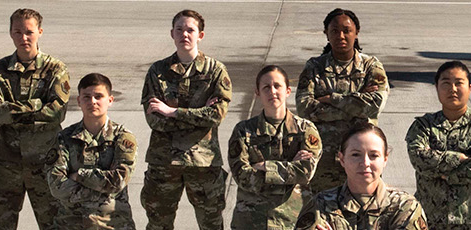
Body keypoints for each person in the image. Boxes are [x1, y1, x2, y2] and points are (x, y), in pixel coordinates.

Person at [0, 8, 74, 230]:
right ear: (11, 34)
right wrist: (36, 106)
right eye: (18, 32)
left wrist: (12, 110)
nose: (24, 37)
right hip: (4, 162)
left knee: (54, 223)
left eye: (29, 32)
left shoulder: (55, 69)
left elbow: (56, 112)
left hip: (45, 162)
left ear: (40, 32)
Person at [140, 9, 232, 230]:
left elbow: (216, 116)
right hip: (164, 163)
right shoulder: (157, 71)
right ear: (172, 33)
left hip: (202, 164)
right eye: (179, 30)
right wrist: (198, 114)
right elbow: (154, 120)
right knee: (158, 223)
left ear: (200, 35)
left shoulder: (216, 71)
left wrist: (172, 112)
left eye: (190, 30)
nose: (185, 34)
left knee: (211, 224)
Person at [298, 8, 390, 192]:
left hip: (363, 162)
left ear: (356, 33)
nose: (341, 36)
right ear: (327, 34)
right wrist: (356, 102)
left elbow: (374, 106)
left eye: (346, 31)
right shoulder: (314, 67)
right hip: (324, 161)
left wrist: (331, 99)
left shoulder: (371, 66)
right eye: (334, 31)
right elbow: (305, 109)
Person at [407, 61, 471, 229]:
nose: (452, 89)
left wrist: (447, 175)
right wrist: (459, 158)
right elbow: (419, 159)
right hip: (431, 220)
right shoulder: (423, 126)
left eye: (459, 83)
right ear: (436, 87)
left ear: (469, 87)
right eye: (446, 83)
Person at [229, 66, 323, 230]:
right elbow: (242, 176)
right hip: (251, 220)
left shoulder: (305, 130)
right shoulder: (243, 131)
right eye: (266, 87)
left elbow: (306, 172)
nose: (272, 91)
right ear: (257, 93)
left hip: (293, 219)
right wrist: (290, 171)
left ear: (287, 91)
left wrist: (264, 167)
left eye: (277, 86)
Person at [46, 73, 141, 230]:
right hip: (70, 224)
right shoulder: (64, 138)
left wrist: (79, 176)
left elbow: (118, 181)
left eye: (98, 96)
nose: (93, 102)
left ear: (110, 100)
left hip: (113, 224)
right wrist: (104, 192)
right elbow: (57, 186)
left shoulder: (123, 138)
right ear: (78, 101)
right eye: (86, 97)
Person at [295, 123, 429, 230]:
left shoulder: (404, 207)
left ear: (385, 159)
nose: (365, 163)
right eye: (355, 155)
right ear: (342, 159)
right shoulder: (321, 205)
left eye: (373, 155)